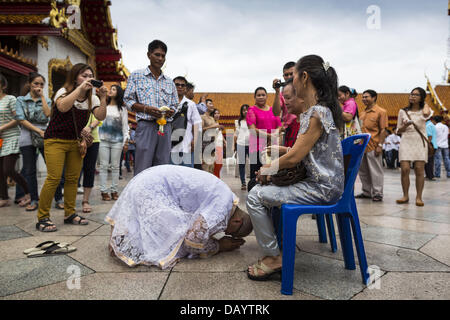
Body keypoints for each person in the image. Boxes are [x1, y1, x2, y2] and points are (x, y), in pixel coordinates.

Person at [246, 55, 344, 280]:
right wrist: (282, 152)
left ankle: (273, 257)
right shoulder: (320, 110)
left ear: (305, 77)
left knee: (254, 196)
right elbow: (301, 151)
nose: (291, 82)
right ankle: (274, 251)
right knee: (261, 190)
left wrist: (266, 170)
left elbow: (295, 157)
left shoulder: (316, 113)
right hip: (326, 185)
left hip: (321, 188)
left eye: (295, 76)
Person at [105, 165, 253, 269]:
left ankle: (119, 239)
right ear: (237, 221)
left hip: (148, 178)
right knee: (176, 240)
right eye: (231, 232)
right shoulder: (222, 208)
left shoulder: (228, 198)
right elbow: (191, 241)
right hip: (152, 188)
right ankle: (121, 244)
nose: (225, 233)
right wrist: (220, 246)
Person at [36, 63, 108, 232]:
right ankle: (43, 217)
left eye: (91, 75)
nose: (88, 78)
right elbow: (63, 107)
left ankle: (70, 213)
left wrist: (103, 98)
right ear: (75, 77)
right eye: (84, 75)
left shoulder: (93, 98)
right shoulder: (63, 92)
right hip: (55, 140)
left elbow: (100, 115)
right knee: (54, 177)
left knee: (72, 178)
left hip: (75, 141)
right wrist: (80, 89)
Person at [123, 40, 178, 176]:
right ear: (149, 55)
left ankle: (159, 196)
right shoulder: (136, 76)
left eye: (163, 56)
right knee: (143, 166)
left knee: (163, 167)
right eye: (157, 54)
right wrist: (146, 109)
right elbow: (127, 100)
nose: (160, 59)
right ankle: (140, 197)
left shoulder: (169, 82)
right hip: (146, 125)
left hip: (165, 128)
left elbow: (175, 104)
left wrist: (171, 111)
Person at [15, 72, 63, 211]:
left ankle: (58, 198)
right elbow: (21, 119)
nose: (38, 86)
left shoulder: (47, 100)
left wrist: (42, 96)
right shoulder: (21, 100)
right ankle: (34, 199)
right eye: (36, 83)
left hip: (45, 135)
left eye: (41, 84)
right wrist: (38, 131)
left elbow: (48, 115)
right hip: (27, 135)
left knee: (53, 168)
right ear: (29, 84)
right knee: (30, 170)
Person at [395, 87, 432, 207]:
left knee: (419, 169)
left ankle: (419, 197)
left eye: (416, 95)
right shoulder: (403, 111)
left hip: (420, 140)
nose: (412, 96)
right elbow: (398, 130)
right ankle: (405, 195)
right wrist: (405, 126)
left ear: (421, 97)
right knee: (405, 169)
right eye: (411, 94)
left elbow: (426, 114)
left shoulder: (425, 110)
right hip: (406, 139)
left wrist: (424, 103)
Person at [0, 73, 31, 208]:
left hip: (12, 136)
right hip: (0, 139)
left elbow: (18, 117)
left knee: (8, 170)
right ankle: (4, 197)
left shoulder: (10, 99)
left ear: (3, 85)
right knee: (0, 170)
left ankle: (29, 193)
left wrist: (2, 127)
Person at [356, 89, 388, 202]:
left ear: (374, 97)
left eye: (366, 97)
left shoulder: (381, 111)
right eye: (363, 97)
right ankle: (367, 192)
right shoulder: (362, 113)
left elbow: (383, 130)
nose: (364, 99)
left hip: (374, 145)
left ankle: (378, 193)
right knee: (363, 171)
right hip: (362, 146)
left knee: (375, 170)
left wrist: (380, 145)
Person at [98, 85, 129, 201]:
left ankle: (114, 190)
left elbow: (125, 127)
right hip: (103, 140)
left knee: (116, 167)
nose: (110, 90)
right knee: (103, 166)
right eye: (111, 89)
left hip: (117, 141)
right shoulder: (104, 106)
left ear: (119, 93)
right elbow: (98, 122)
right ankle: (103, 191)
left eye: (114, 89)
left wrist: (126, 141)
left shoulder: (122, 109)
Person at [246, 87, 282, 181]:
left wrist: (275, 135)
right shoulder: (251, 110)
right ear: (254, 97)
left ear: (267, 96)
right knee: (256, 176)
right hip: (256, 147)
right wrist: (270, 136)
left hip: (272, 147)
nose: (261, 97)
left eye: (263, 95)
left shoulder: (272, 110)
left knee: (272, 175)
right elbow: (252, 129)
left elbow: (279, 125)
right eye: (258, 95)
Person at [170, 76, 201, 167]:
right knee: (172, 176)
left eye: (182, 85)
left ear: (185, 88)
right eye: (177, 85)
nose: (180, 87)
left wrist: (195, 141)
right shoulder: (167, 103)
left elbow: (197, 124)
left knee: (187, 177)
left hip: (186, 146)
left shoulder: (191, 104)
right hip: (170, 148)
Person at [272, 62, 299, 148]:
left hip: (303, 125)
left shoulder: (303, 89)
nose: (288, 77)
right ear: (283, 77)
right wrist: (277, 91)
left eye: (291, 74)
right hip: (289, 129)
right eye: (286, 75)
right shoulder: (282, 93)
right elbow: (276, 112)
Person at [78, 112, 101, 211]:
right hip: (74, 138)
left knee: (89, 170)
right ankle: (68, 202)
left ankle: (85, 200)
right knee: (73, 170)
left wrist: (89, 128)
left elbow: (99, 117)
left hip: (92, 139)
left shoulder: (94, 99)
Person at [201, 99, 222, 173]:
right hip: (205, 146)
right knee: (205, 169)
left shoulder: (212, 118)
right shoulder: (202, 117)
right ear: (204, 105)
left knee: (211, 170)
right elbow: (201, 130)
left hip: (212, 147)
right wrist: (213, 126)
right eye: (210, 103)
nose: (212, 105)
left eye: (212, 103)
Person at [234, 104, 250, 190]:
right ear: (241, 111)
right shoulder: (238, 122)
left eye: (247, 109)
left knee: (253, 164)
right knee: (241, 164)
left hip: (251, 144)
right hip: (241, 144)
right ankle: (243, 183)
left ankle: (253, 180)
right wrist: (234, 146)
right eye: (244, 110)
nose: (246, 111)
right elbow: (236, 134)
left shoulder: (253, 120)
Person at [211, 108, 226, 178]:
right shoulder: (212, 123)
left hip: (220, 146)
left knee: (220, 164)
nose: (217, 115)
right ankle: (216, 178)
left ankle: (217, 177)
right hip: (214, 146)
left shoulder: (217, 123)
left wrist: (224, 141)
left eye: (218, 113)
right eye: (215, 113)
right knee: (216, 164)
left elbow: (220, 134)